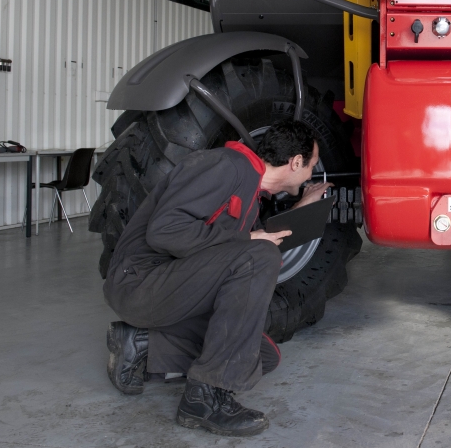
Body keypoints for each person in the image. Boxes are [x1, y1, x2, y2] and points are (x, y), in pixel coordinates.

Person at [103, 120, 330, 437]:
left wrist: (302, 207)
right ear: (295, 162)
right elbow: (165, 231)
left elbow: (241, 243)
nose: (311, 174)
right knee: (261, 256)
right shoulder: (225, 166)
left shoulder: (251, 188)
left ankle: (141, 344)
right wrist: (249, 240)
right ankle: (204, 400)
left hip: (171, 285)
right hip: (139, 283)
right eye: (312, 165)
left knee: (260, 356)